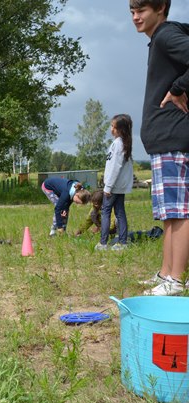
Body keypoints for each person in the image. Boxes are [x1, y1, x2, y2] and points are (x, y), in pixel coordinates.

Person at [130, 0, 189, 296]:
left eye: (141, 10)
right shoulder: (160, 39)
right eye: (132, 11)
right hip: (164, 140)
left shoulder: (166, 35)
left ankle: (176, 280)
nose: (135, 17)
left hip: (173, 137)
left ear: (161, 8)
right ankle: (166, 273)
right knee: (169, 214)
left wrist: (179, 88)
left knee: (179, 212)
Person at [95, 114, 134, 251]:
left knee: (106, 212)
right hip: (120, 186)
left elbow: (114, 167)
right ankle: (122, 243)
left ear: (121, 129)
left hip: (113, 186)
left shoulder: (117, 144)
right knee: (120, 212)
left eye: (114, 127)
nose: (111, 129)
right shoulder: (125, 143)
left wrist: (108, 186)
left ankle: (103, 243)